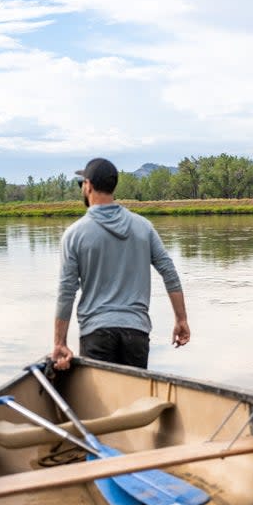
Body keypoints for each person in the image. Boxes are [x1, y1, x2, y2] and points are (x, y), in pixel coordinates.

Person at [52, 157, 190, 371]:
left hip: (96, 333)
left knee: (100, 404)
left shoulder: (74, 234)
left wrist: (59, 343)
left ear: (88, 186)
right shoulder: (144, 227)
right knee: (135, 403)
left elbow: (66, 291)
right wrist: (181, 320)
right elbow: (169, 272)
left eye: (82, 184)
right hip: (136, 333)